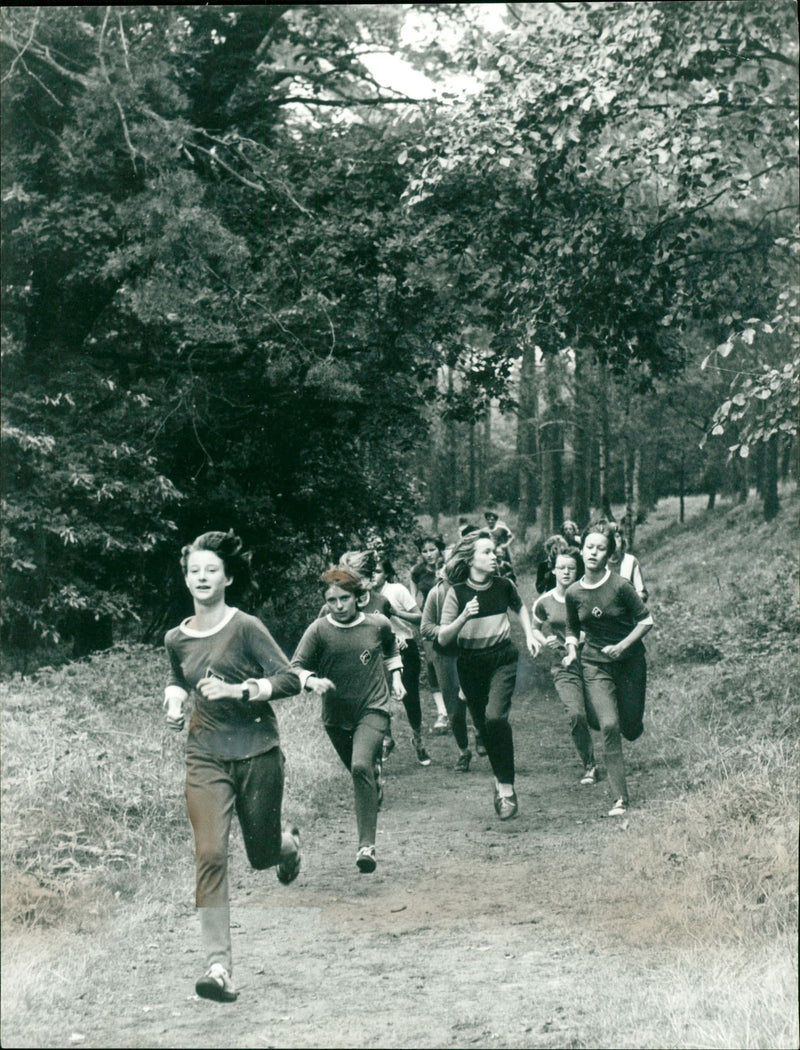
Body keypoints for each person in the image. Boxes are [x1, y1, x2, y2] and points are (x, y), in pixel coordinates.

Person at [163, 530, 302, 1004]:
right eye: (194, 571)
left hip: (258, 751)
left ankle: (287, 847)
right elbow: (179, 678)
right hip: (204, 755)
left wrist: (241, 691)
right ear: (186, 579)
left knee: (260, 853)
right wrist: (175, 700)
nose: (202, 577)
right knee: (210, 854)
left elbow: (289, 679)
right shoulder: (175, 637)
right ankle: (218, 966)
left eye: (211, 570)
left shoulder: (246, 627)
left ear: (228, 577)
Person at [291, 567, 405, 874]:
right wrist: (311, 680)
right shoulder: (318, 630)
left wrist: (396, 677)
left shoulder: (377, 623)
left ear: (358, 597)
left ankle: (366, 846)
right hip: (336, 716)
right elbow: (296, 667)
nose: (339, 606)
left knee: (359, 766)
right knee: (361, 772)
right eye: (332, 600)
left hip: (373, 707)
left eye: (345, 598)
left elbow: (391, 647)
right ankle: (374, 771)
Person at [438, 531, 539, 819]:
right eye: (486, 552)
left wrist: (530, 635)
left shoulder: (503, 585)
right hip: (470, 664)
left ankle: (506, 789)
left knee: (496, 718)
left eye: (494, 551)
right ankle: (499, 780)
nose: (494, 556)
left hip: (502, 658)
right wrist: (463, 617)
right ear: (470, 559)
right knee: (484, 728)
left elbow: (520, 607)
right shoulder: (456, 593)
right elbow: (444, 638)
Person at [564, 521, 654, 817]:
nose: (593, 552)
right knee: (610, 726)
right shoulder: (574, 592)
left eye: (600, 548)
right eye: (589, 547)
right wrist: (571, 650)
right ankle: (620, 798)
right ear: (582, 550)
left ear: (608, 554)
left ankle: (628, 723)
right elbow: (571, 628)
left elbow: (646, 621)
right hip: (595, 664)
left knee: (629, 727)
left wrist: (623, 646)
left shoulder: (620, 586)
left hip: (629, 664)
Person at [531, 548, 599, 785]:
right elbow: (534, 629)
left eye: (571, 568)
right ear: (553, 570)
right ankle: (589, 765)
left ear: (577, 570)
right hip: (563, 664)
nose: (566, 572)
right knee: (575, 713)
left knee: (597, 715)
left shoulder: (588, 595)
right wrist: (544, 641)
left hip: (592, 660)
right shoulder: (545, 601)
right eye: (561, 568)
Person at [372, 558, 431, 766]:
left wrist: (395, 612)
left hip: (405, 646)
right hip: (378, 650)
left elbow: (420, 617)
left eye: (378, 571)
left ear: (386, 574)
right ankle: (387, 739)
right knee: (379, 696)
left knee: (409, 695)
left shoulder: (396, 590)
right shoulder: (363, 597)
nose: (373, 575)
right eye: (370, 571)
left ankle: (418, 739)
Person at [420, 568, 472, 771]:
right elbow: (425, 628)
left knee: (477, 699)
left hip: (473, 649)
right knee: (454, 706)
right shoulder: (437, 592)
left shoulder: (476, 588)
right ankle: (463, 751)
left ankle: (480, 732)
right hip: (446, 653)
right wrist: (447, 631)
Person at [410, 536, 450, 734]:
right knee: (432, 664)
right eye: (424, 551)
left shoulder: (450, 566)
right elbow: (414, 598)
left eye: (432, 550)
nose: (428, 554)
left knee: (456, 662)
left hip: (452, 618)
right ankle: (442, 712)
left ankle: (460, 705)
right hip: (429, 620)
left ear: (439, 550)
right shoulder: (417, 572)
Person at [607, 522, 648, 601]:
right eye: (610, 538)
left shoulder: (631, 561)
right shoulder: (601, 563)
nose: (614, 541)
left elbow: (642, 593)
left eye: (617, 536)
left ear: (622, 539)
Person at [484, 509, 516, 581]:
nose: (490, 521)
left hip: (502, 552)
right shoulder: (484, 530)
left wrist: (505, 545)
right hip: (491, 553)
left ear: (495, 520)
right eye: (488, 519)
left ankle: (511, 581)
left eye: (492, 519)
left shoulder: (501, 528)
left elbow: (511, 537)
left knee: (506, 567)